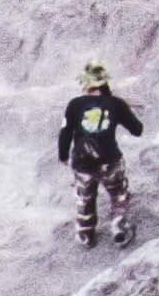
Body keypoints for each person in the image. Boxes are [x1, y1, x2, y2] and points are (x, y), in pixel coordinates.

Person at [57, 61, 148, 246]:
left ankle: (85, 234)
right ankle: (119, 227)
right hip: (110, 159)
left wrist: (63, 155)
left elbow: (65, 132)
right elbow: (137, 130)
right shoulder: (115, 104)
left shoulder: (74, 105)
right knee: (118, 193)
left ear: (85, 84)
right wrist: (123, 111)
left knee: (84, 197)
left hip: (82, 161)